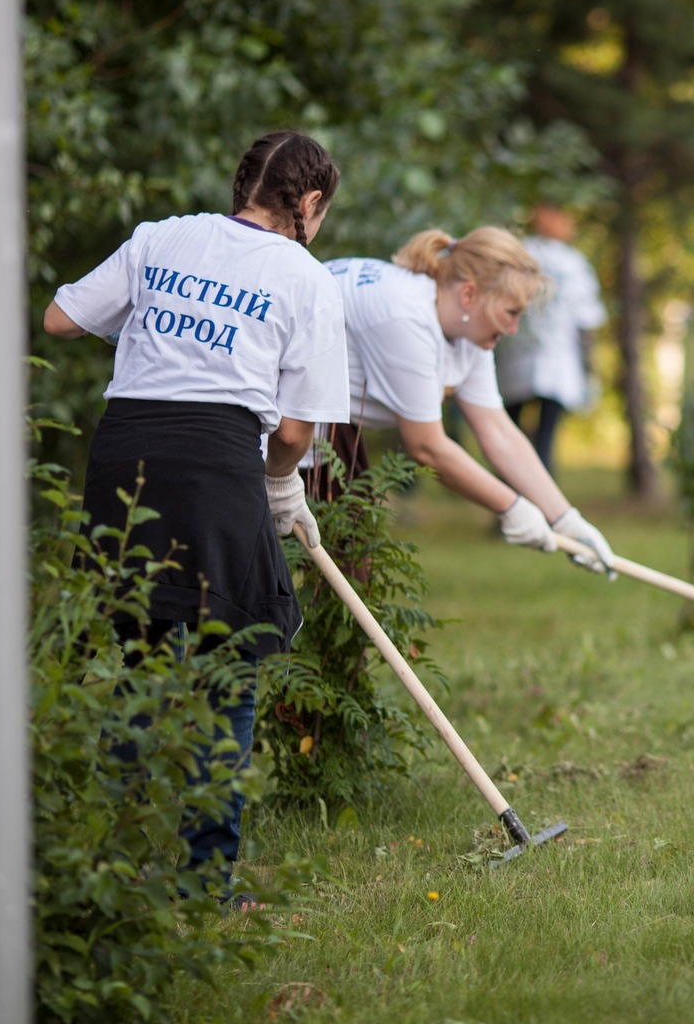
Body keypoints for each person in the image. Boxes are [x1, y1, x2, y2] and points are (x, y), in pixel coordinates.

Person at [42, 131, 348, 893]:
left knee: (140, 656)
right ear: (308, 204)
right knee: (229, 663)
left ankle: (103, 860)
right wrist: (283, 487)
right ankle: (204, 879)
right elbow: (297, 432)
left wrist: (155, 325)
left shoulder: (161, 237)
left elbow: (59, 320)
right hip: (216, 463)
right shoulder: (305, 276)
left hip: (125, 456)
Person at [307, 227, 619, 577]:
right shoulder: (406, 315)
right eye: (512, 312)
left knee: (347, 569)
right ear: (470, 294)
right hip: (278, 414)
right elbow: (427, 447)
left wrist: (566, 520)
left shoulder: (469, 331)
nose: (514, 328)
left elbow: (498, 430)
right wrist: (512, 507)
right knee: (301, 568)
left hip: (327, 423)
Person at [494, 203, 607, 477]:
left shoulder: (519, 254)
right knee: (544, 439)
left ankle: (507, 505)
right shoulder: (575, 263)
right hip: (558, 362)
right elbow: (587, 322)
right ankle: (542, 506)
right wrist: (590, 370)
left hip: (515, 357)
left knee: (508, 437)